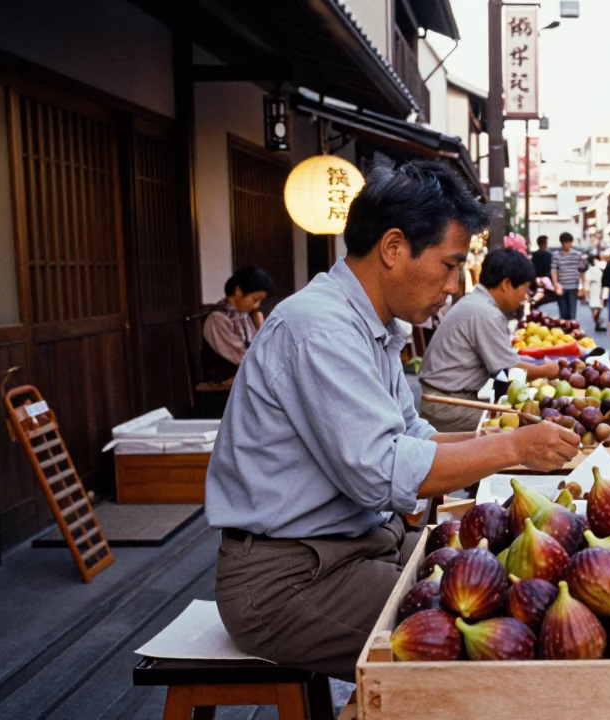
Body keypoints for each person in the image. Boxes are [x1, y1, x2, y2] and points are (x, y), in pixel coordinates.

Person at [206, 162, 580, 679]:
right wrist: (513, 447)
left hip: (353, 549)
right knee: (497, 633)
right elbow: (384, 470)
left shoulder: (373, 327)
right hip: (288, 581)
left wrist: (494, 438)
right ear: (393, 248)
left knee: (506, 578)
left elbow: (413, 436)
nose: (453, 286)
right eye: (449, 266)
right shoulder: (321, 329)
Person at [419, 249, 562, 432]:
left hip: (449, 398)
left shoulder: (476, 303)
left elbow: (503, 368)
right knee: (520, 428)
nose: (524, 297)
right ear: (506, 283)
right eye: (524, 288)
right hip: (447, 406)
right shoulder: (485, 313)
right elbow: (509, 371)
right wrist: (546, 371)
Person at [202, 266, 275, 386]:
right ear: (238, 291)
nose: (257, 305)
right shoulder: (218, 318)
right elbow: (245, 358)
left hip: (245, 377)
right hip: (225, 384)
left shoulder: (243, 313)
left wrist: (260, 324)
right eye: (255, 299)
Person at [551, 232, 585, 322]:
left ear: (571, 243)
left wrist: (582, 286)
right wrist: (555, 284)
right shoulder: (556, 255)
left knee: (572, 313)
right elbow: (554, 270)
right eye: (564, 243)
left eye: (567, 243)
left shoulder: (577, 254)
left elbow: (581, 270)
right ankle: (564, 331)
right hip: (561, 287)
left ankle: (572, 330)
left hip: (573, 286)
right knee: (563, 312)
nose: (566, 245)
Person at [584, 252, 606, 332]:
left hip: (595, 288)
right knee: (597, 306)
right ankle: (598, 322)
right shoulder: (597, 268)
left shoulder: (592, 269)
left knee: (595, 306)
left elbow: (587, 280)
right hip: (596, 288)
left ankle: (598, 322)